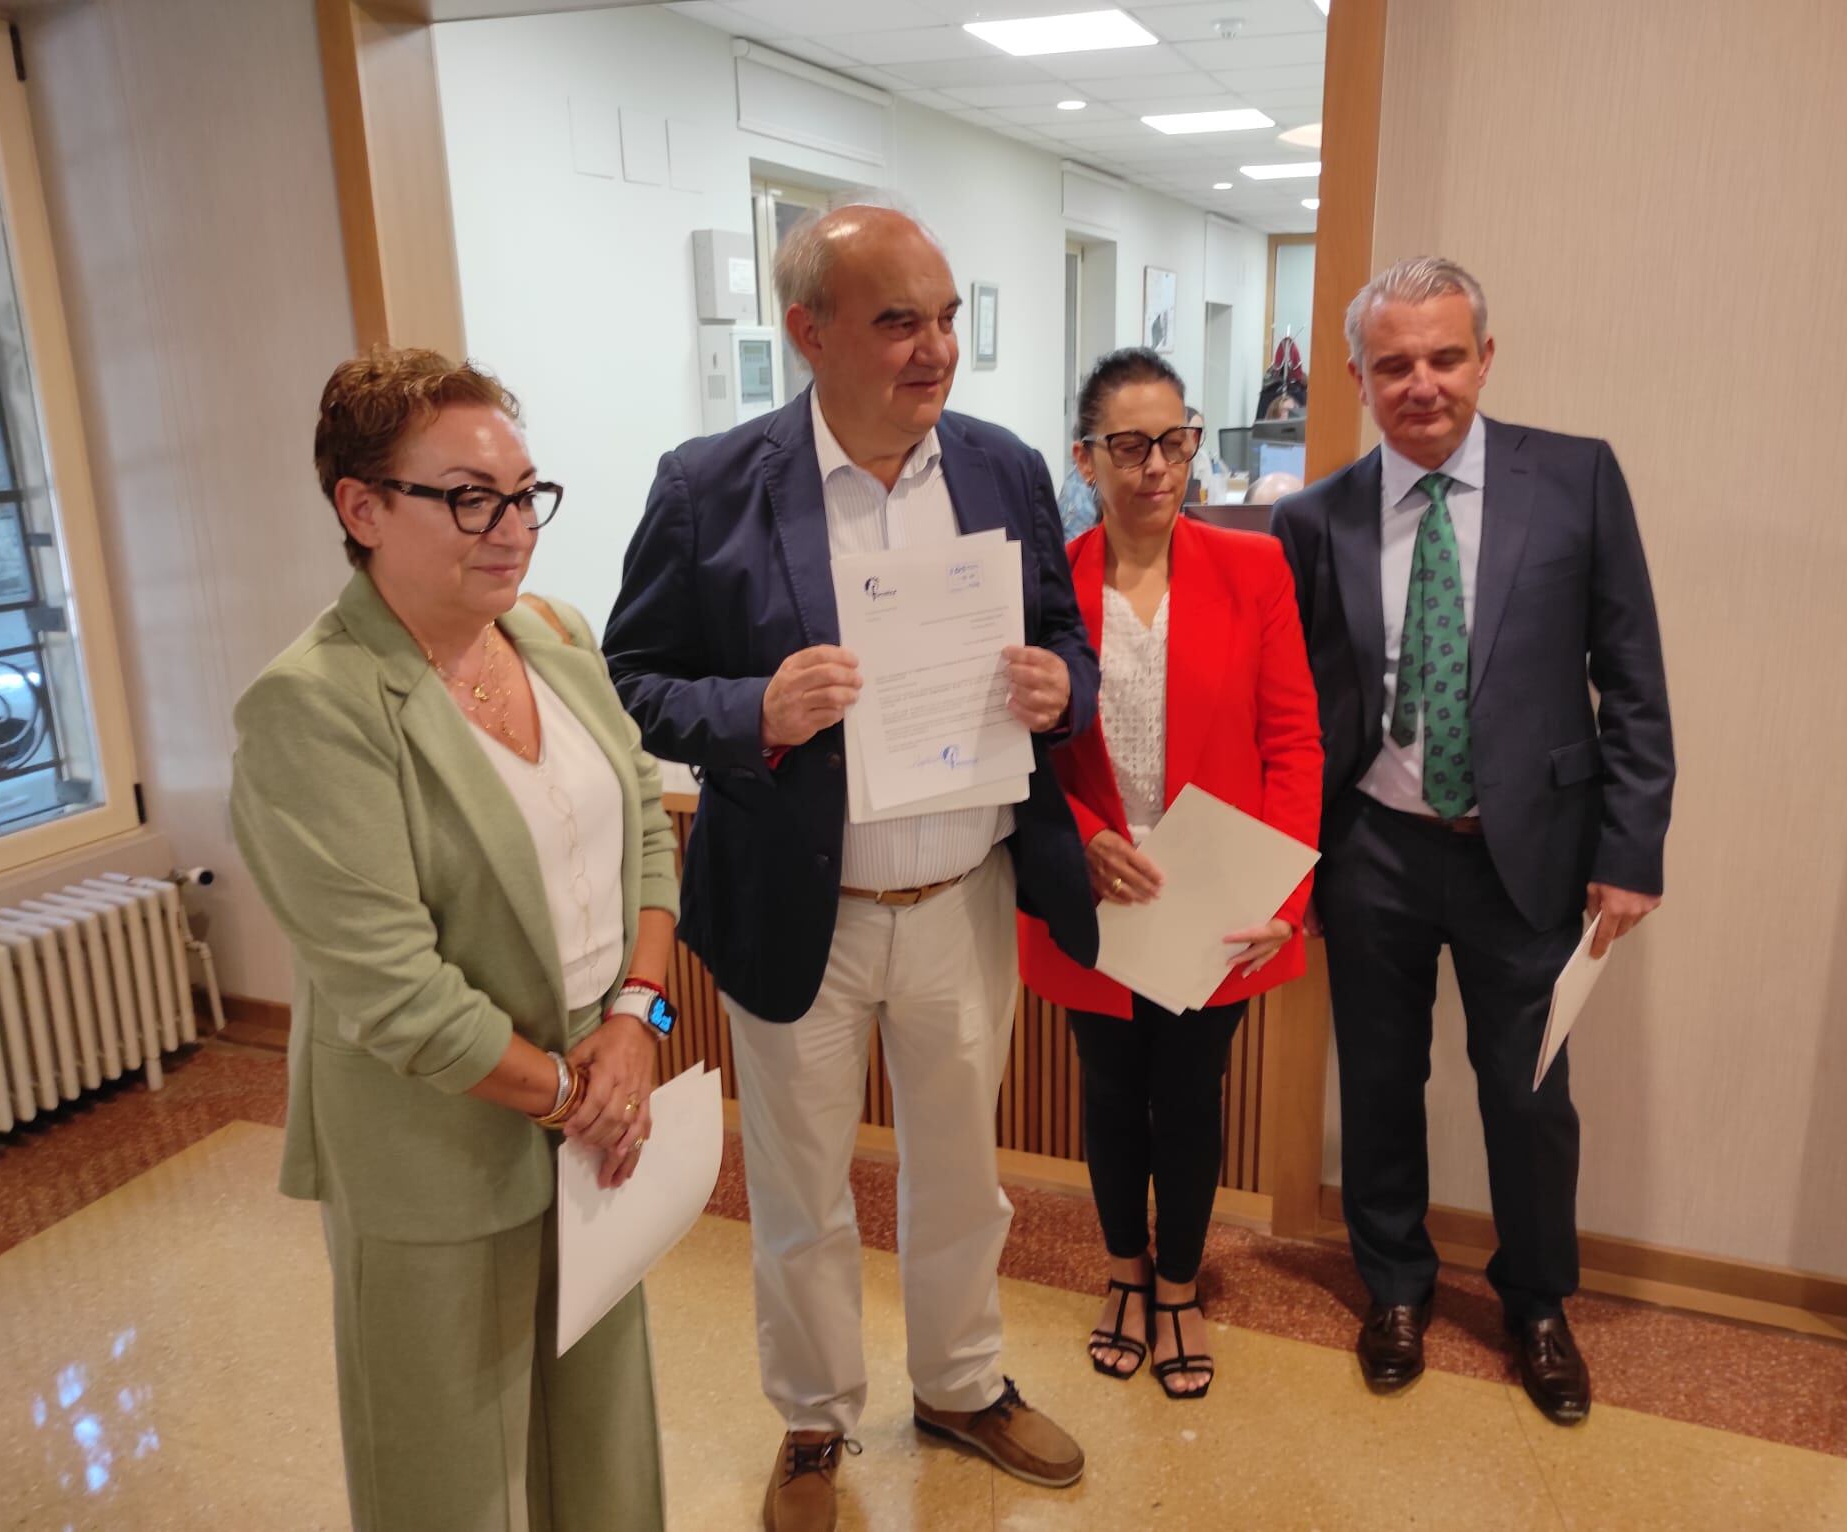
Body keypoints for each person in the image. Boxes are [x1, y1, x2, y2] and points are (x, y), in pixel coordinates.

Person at [605, 205, 1098, 1532]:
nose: (935, 349)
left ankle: (960, 1384)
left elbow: (1066, 642)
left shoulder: (1002, 469)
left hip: (961, 896)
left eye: (945, 317)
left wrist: (1064, 689)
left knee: (961, 1173)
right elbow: (632, 681)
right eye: (898, 321)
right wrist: (753, 710)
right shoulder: (711, 484)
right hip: (794, 905)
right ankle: (814, 1420)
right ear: (808, 331)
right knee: (800, 1187)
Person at [231, 348, 678, 1529]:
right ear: (362, 507)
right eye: (469, 496)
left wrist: (637, 1022)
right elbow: (393, 990)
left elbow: (644, 831)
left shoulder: (551, 635)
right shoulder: (313, 704)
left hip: (595, 1114)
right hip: (437, 1143)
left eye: (525, 492)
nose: (511, 526)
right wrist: (571, 1095)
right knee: (448, 1470)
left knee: (601, 1437)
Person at [1271, 258, 1674, 1425]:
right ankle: (1392, 1285)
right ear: (1354, 376)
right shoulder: (1314, 515)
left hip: (1531, 852)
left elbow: (1632, 680)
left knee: (1529, 1090)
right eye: (1392, 363)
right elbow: (1296, 705)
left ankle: (1536, 1303)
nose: (1421, 383)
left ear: (1484, 358)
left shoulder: (1575, 481)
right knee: (1382, 1082)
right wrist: (1289, 856)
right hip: (1373, 850)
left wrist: (1629, 847)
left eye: (1444, 356)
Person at [1019, 349, 1322, 1401]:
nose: (1158, 466)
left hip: (1214, 895)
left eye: (1176, 439)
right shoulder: (1047, 582)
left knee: (1192, 1093)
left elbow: (1294, 744)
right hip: (1097, 891)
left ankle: (1180, 1283)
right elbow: (1014, 751)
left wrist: (1281, 898)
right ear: (1086, 457)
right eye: (1131, 445)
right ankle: (1120, 1271)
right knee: (1108, 1091)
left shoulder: (1253, 567)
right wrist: (1075, 831)